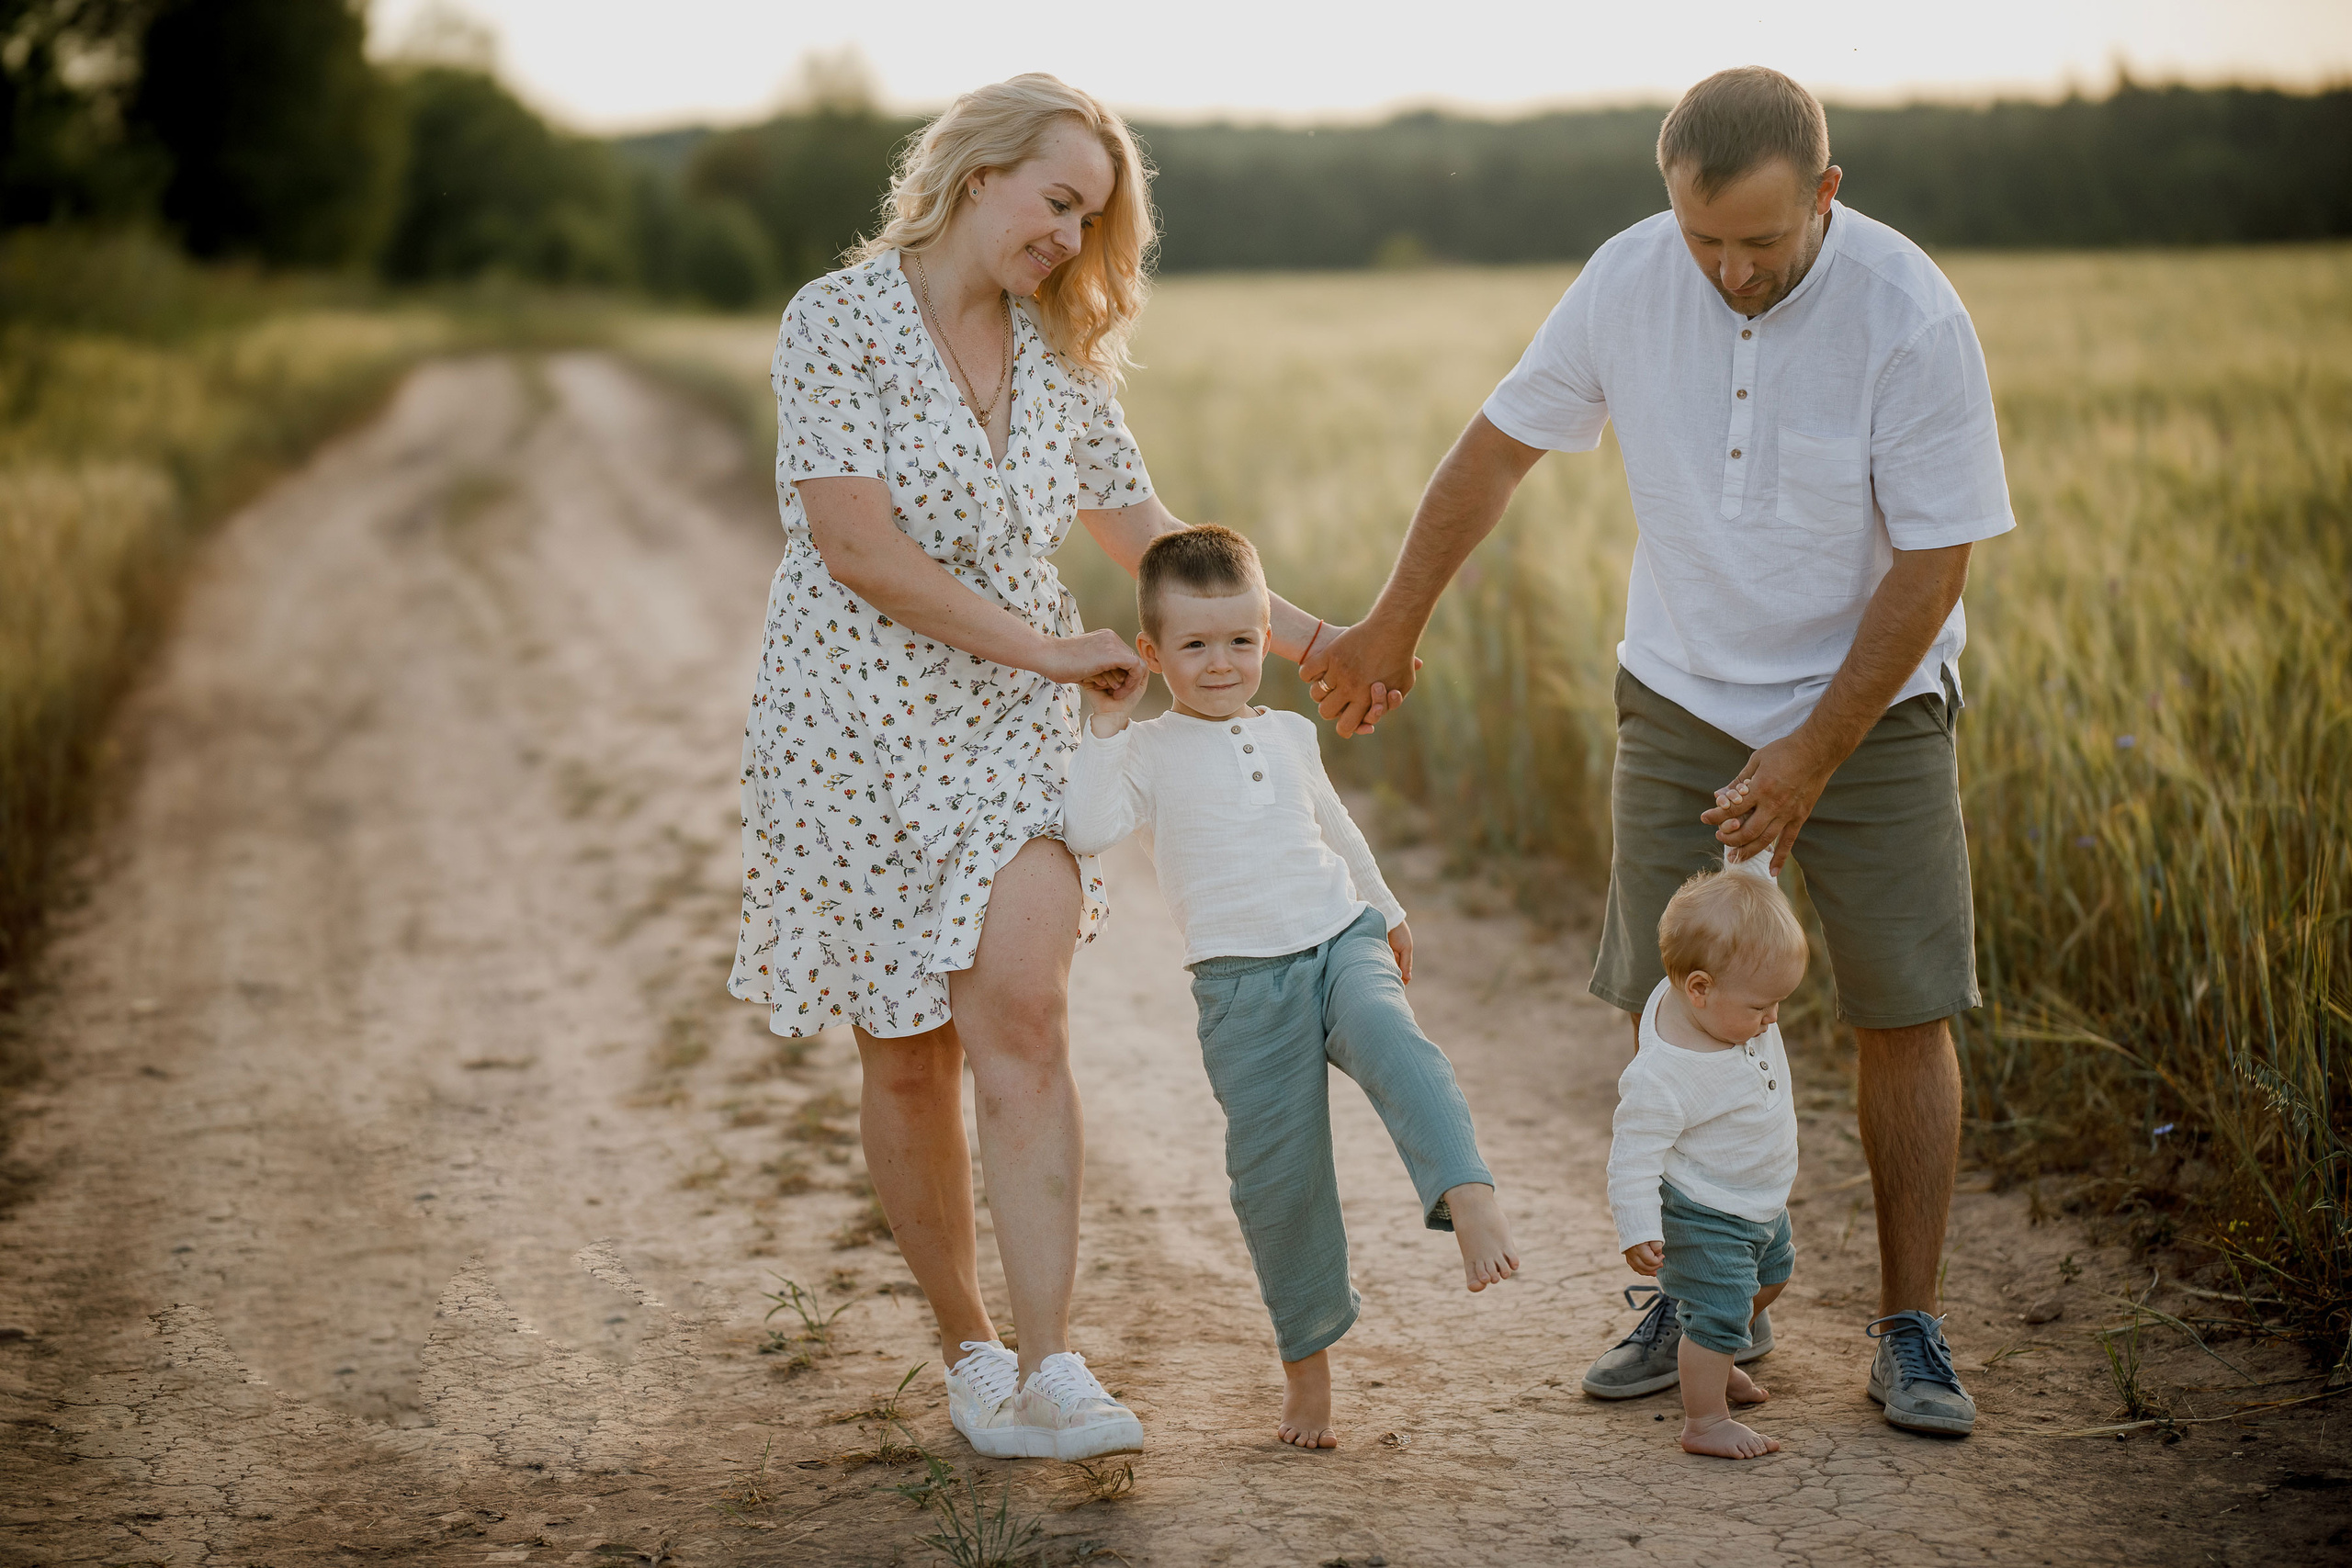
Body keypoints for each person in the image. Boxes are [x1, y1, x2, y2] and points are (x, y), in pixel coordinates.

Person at [1302, 64, 2011, 1437]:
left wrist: (1812, 748)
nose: (1731, 271)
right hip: (1681, 687)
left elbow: (1935, 558)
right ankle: (1700, 1299)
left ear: (1827, 191)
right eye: (1705, 242)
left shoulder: (1909, 311)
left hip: (1876, 698)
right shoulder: (1632, 278)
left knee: (1901, 1005)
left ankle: (1910, 1323)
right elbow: (1498, 449)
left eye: (1761, 241)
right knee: (1666, 996)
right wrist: (1393, 620)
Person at [727, 73, 1396, 1464]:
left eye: (1090, 217)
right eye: (1057, 200)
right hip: (849, 731)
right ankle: (971, 1345)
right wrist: (1044, 648)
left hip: (1005, 735)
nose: (1068, 236)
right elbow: (855, 545)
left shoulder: (1059, 362)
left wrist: (1328, 639)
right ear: (978, 172)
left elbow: (1158, 541)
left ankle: (1052, 1362)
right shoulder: (834, 323)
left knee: (1021, 1012)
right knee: (905, 1059)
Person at [1061, 525, 1519, 1450]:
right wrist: (1106, 722)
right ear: (1153, 654)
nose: (1222, 663)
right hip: (1240, 986)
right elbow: (1085, 824)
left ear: (1267, 631)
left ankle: (1465, 1192)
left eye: (1240, 640)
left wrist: (1384, 909)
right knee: (1278, 1183)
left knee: (1399, 1046)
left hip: (1338, 936)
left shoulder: (1291, 731)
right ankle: (1308, 1374)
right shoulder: (1147, 750)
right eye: (1194, 646)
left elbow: (1335, 828)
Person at [1609, 857, 1809, 1459]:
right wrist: (1638, 1227)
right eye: (1761, 1008)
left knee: (1772, 1276)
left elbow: (1750, 890)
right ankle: (1705, 1417)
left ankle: (1714, 1360)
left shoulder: (1730, 995)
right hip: (1706, 1211)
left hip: (1760, 1201)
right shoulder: (1663, 1073)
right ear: (1698, 988)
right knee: (1720, 1312)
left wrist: (1749, 839)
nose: (1773, 1019)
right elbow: (1633, 1155)